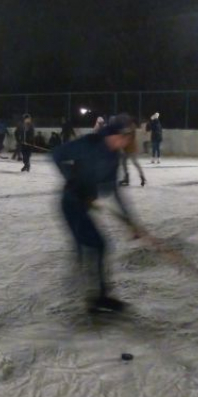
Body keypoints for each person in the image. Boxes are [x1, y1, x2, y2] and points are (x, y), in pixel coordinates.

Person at [51, 116, 138, 312]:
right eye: (125, 137)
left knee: (88, 247)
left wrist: (130, 221)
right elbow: (56, 154)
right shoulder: (89, 143)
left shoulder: (114, 157)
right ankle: (97, 296)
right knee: (97, 244)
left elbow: (114, 191)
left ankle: (92, 294)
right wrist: (72, 179)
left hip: (83, 205)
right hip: (70, 202)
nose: (126, 143)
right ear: (115, 134)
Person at [119, 119, 146, 187]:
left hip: (132, 149)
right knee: (124, 162)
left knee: (135, 163)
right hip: (126, 148)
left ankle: (142, 177)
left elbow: (127, 131)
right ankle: (126, 178)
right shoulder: (126, 127)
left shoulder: (132, 126)